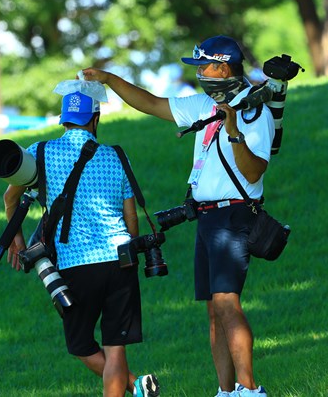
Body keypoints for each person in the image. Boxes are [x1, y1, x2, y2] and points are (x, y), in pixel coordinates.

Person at [82, 35, 271, 397]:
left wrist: (234, 134)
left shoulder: (253, 110)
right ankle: (226, 390)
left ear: (223, 67)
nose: (199, 72)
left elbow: (254, 172)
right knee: (214, 310)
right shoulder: (204, 103)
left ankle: (250, 389)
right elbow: (151, 103)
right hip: (207, 218)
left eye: (203, 65)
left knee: (228, 304)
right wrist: (108, 79)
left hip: (233, 216)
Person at [3, 89, 160, 397]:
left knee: (80, 345)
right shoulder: (116, 155)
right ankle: (136, 385)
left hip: (76, 264)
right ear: (95, 119)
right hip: (120, 258)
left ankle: (136, 385)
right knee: (116, 349)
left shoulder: (40, 152)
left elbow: (10, 198)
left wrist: (16, 239)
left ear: (64, 121)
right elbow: (131, 218)